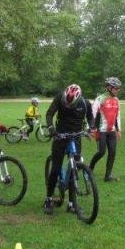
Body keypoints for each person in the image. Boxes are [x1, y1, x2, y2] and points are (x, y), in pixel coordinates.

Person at [43, 84, 95, 215]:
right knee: (55, 169)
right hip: (60, 135)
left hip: (76, 136)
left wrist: (91, 128)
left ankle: (72, 204)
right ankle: (48, 199)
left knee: (74, 169)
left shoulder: (84, 103)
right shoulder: (60, 97)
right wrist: (51, 128)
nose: (68, 105)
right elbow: (49, 113)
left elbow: (90, 117)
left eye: (71, 104)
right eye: (66, 103)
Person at [90, 77, 122, 182]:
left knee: (112, 152)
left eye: (119, 88)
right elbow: (92, 114)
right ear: (109, 87)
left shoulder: (117, 100)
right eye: (116, 88)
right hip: (101, 130)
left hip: (111, 131)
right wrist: (92, 129)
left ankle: (107, 176)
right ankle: (90, 169)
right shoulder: (100, 98)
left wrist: (118, 130)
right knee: (101, 152)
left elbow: (117, 116)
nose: (118, 90)